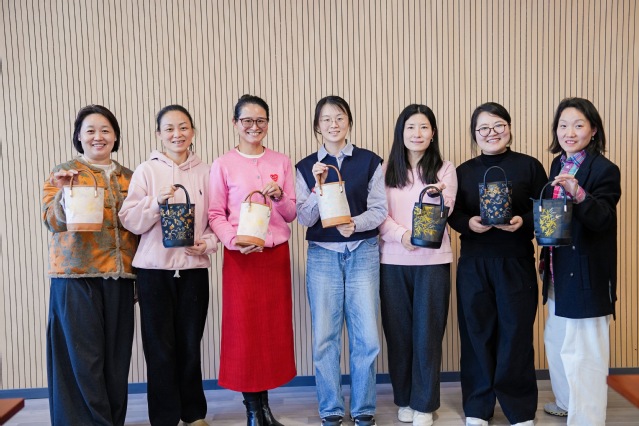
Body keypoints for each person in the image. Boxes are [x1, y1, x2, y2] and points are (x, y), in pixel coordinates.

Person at [447, 102, 547, 426]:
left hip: (516, 261)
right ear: (474, 134)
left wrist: (523, 221)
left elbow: (545, 208)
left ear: (509, 128)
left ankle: (519, 409)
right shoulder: (463, 171)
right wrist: (468, 224)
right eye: (484, 128)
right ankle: (478, 407)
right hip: (474, 263)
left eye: (498, 126)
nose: (492, 133)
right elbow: (453, 213)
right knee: (476, 334)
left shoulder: (530, 166)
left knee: (516, 334)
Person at [119, 105, 218, 426]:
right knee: (159, 347)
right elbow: (130, 219)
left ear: (193, 131)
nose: (177, 134)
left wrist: (207, 243)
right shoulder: (146, 171)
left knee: (190, 344)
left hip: (194, 270)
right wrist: (155, 203)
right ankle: (164, 418)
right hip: (153, 273)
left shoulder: (207, 172)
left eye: (183, 127)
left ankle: (193, 414)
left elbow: (216, 220)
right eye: (169, 128)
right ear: (159, 134)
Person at [42, 105, 138, 425]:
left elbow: (139, 229)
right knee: (82, 360)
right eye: (90, 131)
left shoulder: (130, 177)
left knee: (116, 361)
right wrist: (63, 193)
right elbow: (51, 221)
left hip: (121, 277)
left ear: (115, 137)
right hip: (74, 277)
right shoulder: (63, 172)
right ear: (79, 137)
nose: (99, 136)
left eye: (105, 130)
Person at [295, 95, 387, 426]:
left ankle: (363, 409)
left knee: (367, 338)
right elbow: (304, 218)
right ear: (317, 126)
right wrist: (317, 187)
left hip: (363, 251)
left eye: (340, 118)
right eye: (326, 119)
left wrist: (355, 224)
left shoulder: (370, 161)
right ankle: (331, 409)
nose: (333, 124)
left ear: (349, 121)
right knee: (325, 338)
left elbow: (379, 210)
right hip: (323, 255)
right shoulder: (306, 167)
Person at [208, 94, 296, 426]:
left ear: (267, 124)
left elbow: (291, 213)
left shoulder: (281, 162)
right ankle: (252, 411)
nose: (254, 126)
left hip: (274, 257)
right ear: (235, 124)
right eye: (247, 120)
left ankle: (265, 408)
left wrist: (281, 197)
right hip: (241, 258)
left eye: (260, 121)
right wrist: (233, 241)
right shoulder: (223, 164)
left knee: (270, 332)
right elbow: (215, 213)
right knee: (245, 332)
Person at [540, 97, 621, 426]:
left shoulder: (604, 170)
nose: (569, 132)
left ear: (593, 130)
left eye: (578, 125)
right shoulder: (557, 165)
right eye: (563, 125)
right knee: (557, 341)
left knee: (585, 352)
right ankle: (565, 402)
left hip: (586, 274)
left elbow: (603, 218)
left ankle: (587, 419)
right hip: (557, 271)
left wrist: (579, 194)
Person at [379, 104, 457, 426]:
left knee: (428, 334)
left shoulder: (445, 169)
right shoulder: (385, 169)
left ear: (433, 133)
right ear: (401, 132)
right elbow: (378, 213)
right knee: (398, 334)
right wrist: (402, 235)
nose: (417, 133)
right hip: (392, 261)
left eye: (424, 127)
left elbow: (446, 208)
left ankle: (424, 403)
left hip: (432, 262)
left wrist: (434, 195)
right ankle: (405, 399)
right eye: (411, 127)